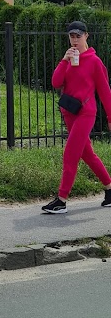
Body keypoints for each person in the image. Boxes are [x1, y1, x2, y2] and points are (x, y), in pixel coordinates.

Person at [41, 20, 111, 214]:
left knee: (70, 153)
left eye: (78, 36)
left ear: (86, 36)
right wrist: (64, 61)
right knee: (87, 154)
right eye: (72, 36)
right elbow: (56, 83)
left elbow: (105, 92)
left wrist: (110, 118)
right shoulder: (68, 59)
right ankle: (110, 189)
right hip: (69, 113)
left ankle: (61, 200)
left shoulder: (95, 62)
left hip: (86, 113)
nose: (74, 40)